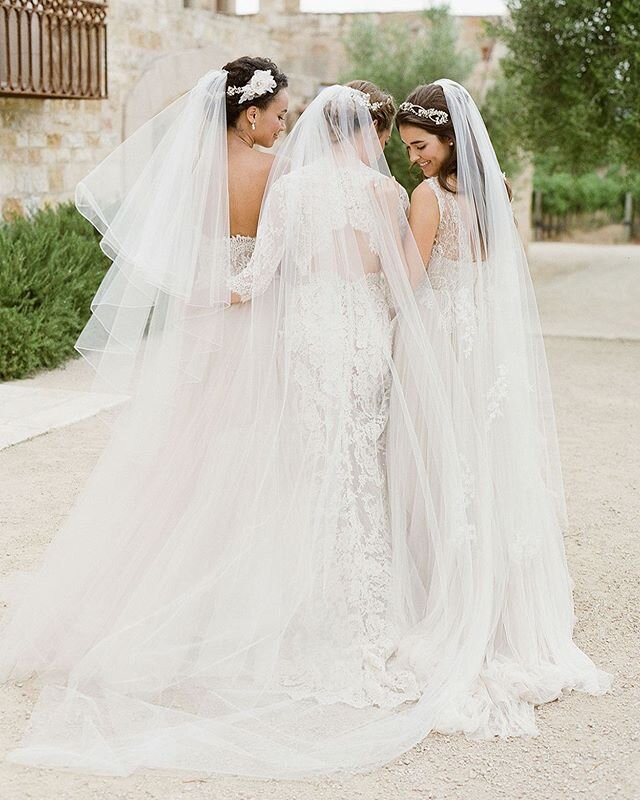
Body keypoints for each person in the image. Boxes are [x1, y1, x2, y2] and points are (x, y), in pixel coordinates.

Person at [392, 79, 612, 737]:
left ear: (452, 137)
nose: (414, 159)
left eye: (421, 145)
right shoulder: (497, 192)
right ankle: (504, 610)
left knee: (440, 469)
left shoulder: (428, 199)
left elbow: (407, 280)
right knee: (488, 469)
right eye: (406, 148)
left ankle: (450, 602)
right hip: (486, 352)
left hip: (441, 349)